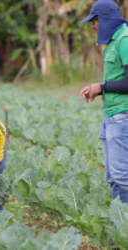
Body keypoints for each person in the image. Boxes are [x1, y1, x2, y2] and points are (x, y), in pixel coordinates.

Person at [79, 0, 128, 221]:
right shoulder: (113, 42)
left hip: (122, 117)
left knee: (122, 175)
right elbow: (117, 80)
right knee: (112, 176)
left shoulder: (125, 40)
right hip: (111, 116)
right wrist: (96, 90)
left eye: (94, 20)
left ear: (105, 19)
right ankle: (121, 228)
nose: (93, 26)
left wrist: (103, 86)